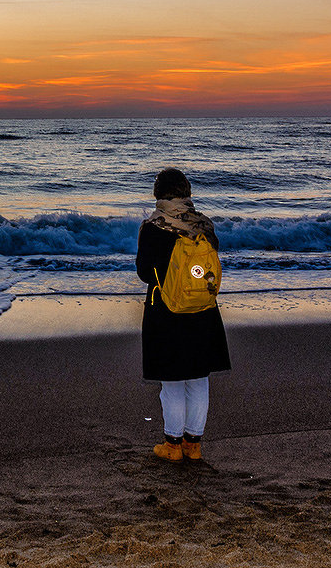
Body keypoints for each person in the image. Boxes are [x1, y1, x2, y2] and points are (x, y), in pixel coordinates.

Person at [136, 168, 231, 461]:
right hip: (203, 310)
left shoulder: (154, 226)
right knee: (198, 379)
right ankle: (194, 444)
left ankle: (173, 446)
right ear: (187, 191)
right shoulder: (205, 225)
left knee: (172, 382)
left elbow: (143, 273)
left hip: (166, 310)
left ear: (158, 193)